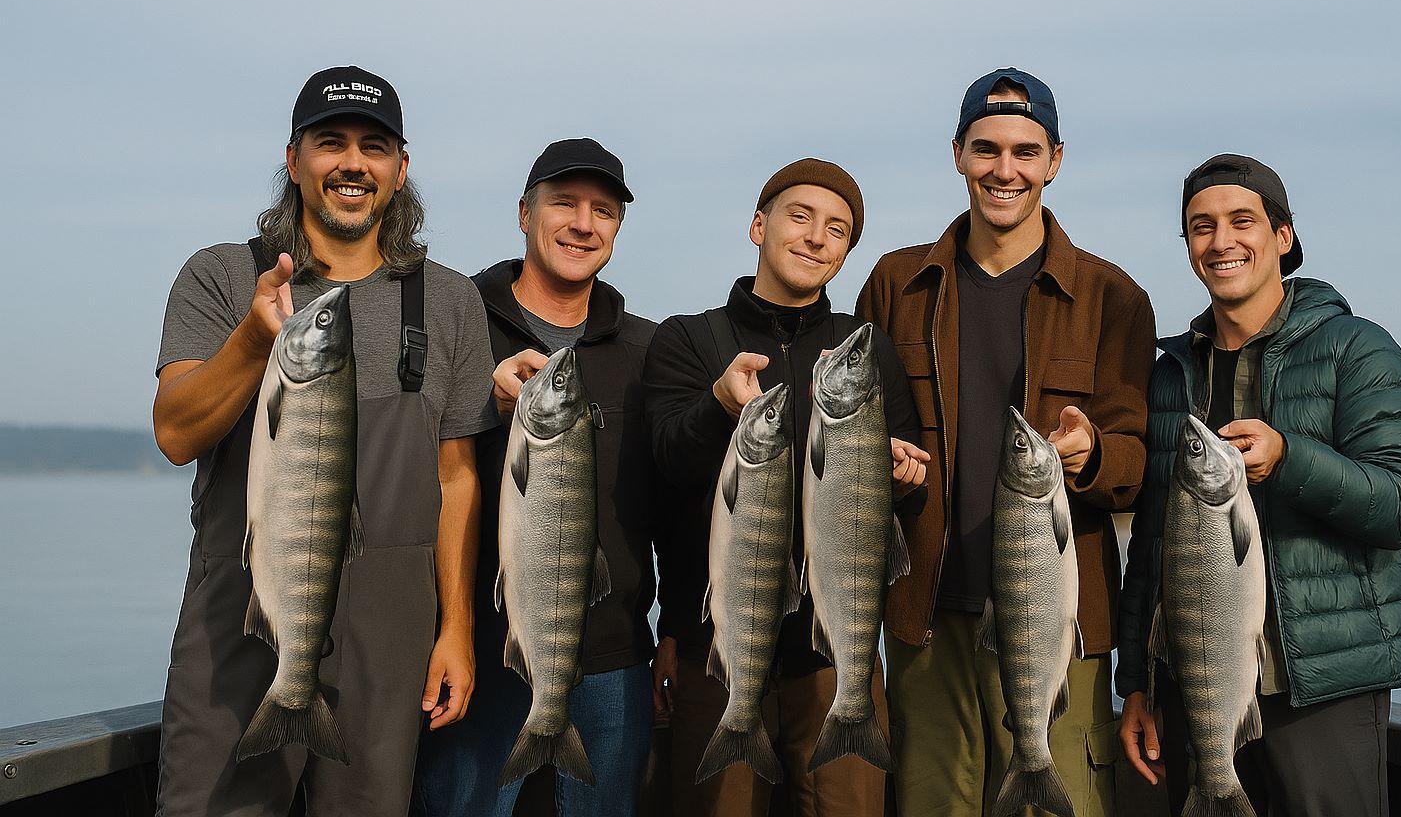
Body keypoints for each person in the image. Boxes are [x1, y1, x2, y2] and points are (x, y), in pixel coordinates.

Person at [152, 66, 496, 817]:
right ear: (294, 158)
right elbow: (176, 432)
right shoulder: (219, 276)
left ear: (400, 170)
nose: (352, 163)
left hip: (389, 640)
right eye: (330, 142)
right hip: (236, 633)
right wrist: (252, 337)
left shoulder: (451, 300)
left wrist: (457, 630)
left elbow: (458, 477)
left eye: (374, 147)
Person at [857, 68, 1155, 817]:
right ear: (958, 153)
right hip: (923, 624)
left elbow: (1136, 460)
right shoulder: (895, 284)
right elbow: (860, 437)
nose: (1005, 170)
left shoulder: (1113, 296)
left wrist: (1094, 457)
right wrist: (880, 466)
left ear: (1055, 161)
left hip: (1063, 624)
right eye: (986, 149)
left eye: (1026, 152)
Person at [1116, 154, 1401, 817]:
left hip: (1320, 687)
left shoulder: (1357, 349)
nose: (1222, 241)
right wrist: (1138, 685)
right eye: (1201, 227)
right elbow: (1151, 543)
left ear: (1283, 237)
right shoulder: (1171, 374)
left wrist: (1291, 459)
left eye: (1242, 221)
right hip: (1197, 691)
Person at [643, 158, 927, 816]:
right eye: (800, 217)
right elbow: (665, 469)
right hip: (716, 651)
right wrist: (717, 404)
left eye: (837, 230)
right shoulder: (687, 341)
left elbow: (903, 503)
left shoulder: (868, 351)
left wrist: (901, 477)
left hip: (834, 654)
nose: (816, 237)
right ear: (758, 226)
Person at [411, 138, 659, 817]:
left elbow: (677, 500)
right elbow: (405, 466)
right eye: (565, 204)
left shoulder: (648, 350)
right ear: (525, 213)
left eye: (603, 211)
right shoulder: (456, 322)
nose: (583, 223)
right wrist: (481, 410)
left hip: (613, 659)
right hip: (476, 660)